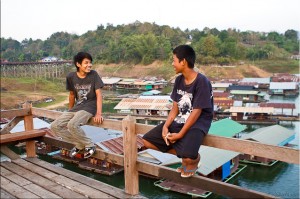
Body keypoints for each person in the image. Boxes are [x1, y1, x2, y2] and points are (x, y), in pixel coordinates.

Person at [142, 45, 213, 178]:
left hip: (198, 122)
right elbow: (175, 107)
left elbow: (196, 112)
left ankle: (192, 158)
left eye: (174, 60)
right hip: (181, 118)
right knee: (147, 141)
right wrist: (166, 126)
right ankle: (186, 156)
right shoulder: (179, 80)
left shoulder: (202, 82)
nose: (172, 64)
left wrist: (180, 135)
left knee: (188, 157)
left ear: (183, 61)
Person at [50, 52, 104, 159]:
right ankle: (79, 144)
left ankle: (89, 145)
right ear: (78, 64)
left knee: (72, 125)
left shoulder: (94, 74)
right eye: (86, 63)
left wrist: (98, 113)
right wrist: (70, 111)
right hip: (77, 107)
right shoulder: (71, 77)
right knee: (54, 126)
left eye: (90, 63)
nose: (89, 65)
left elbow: (99, 95)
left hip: (90, 107)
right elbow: (71, 95)